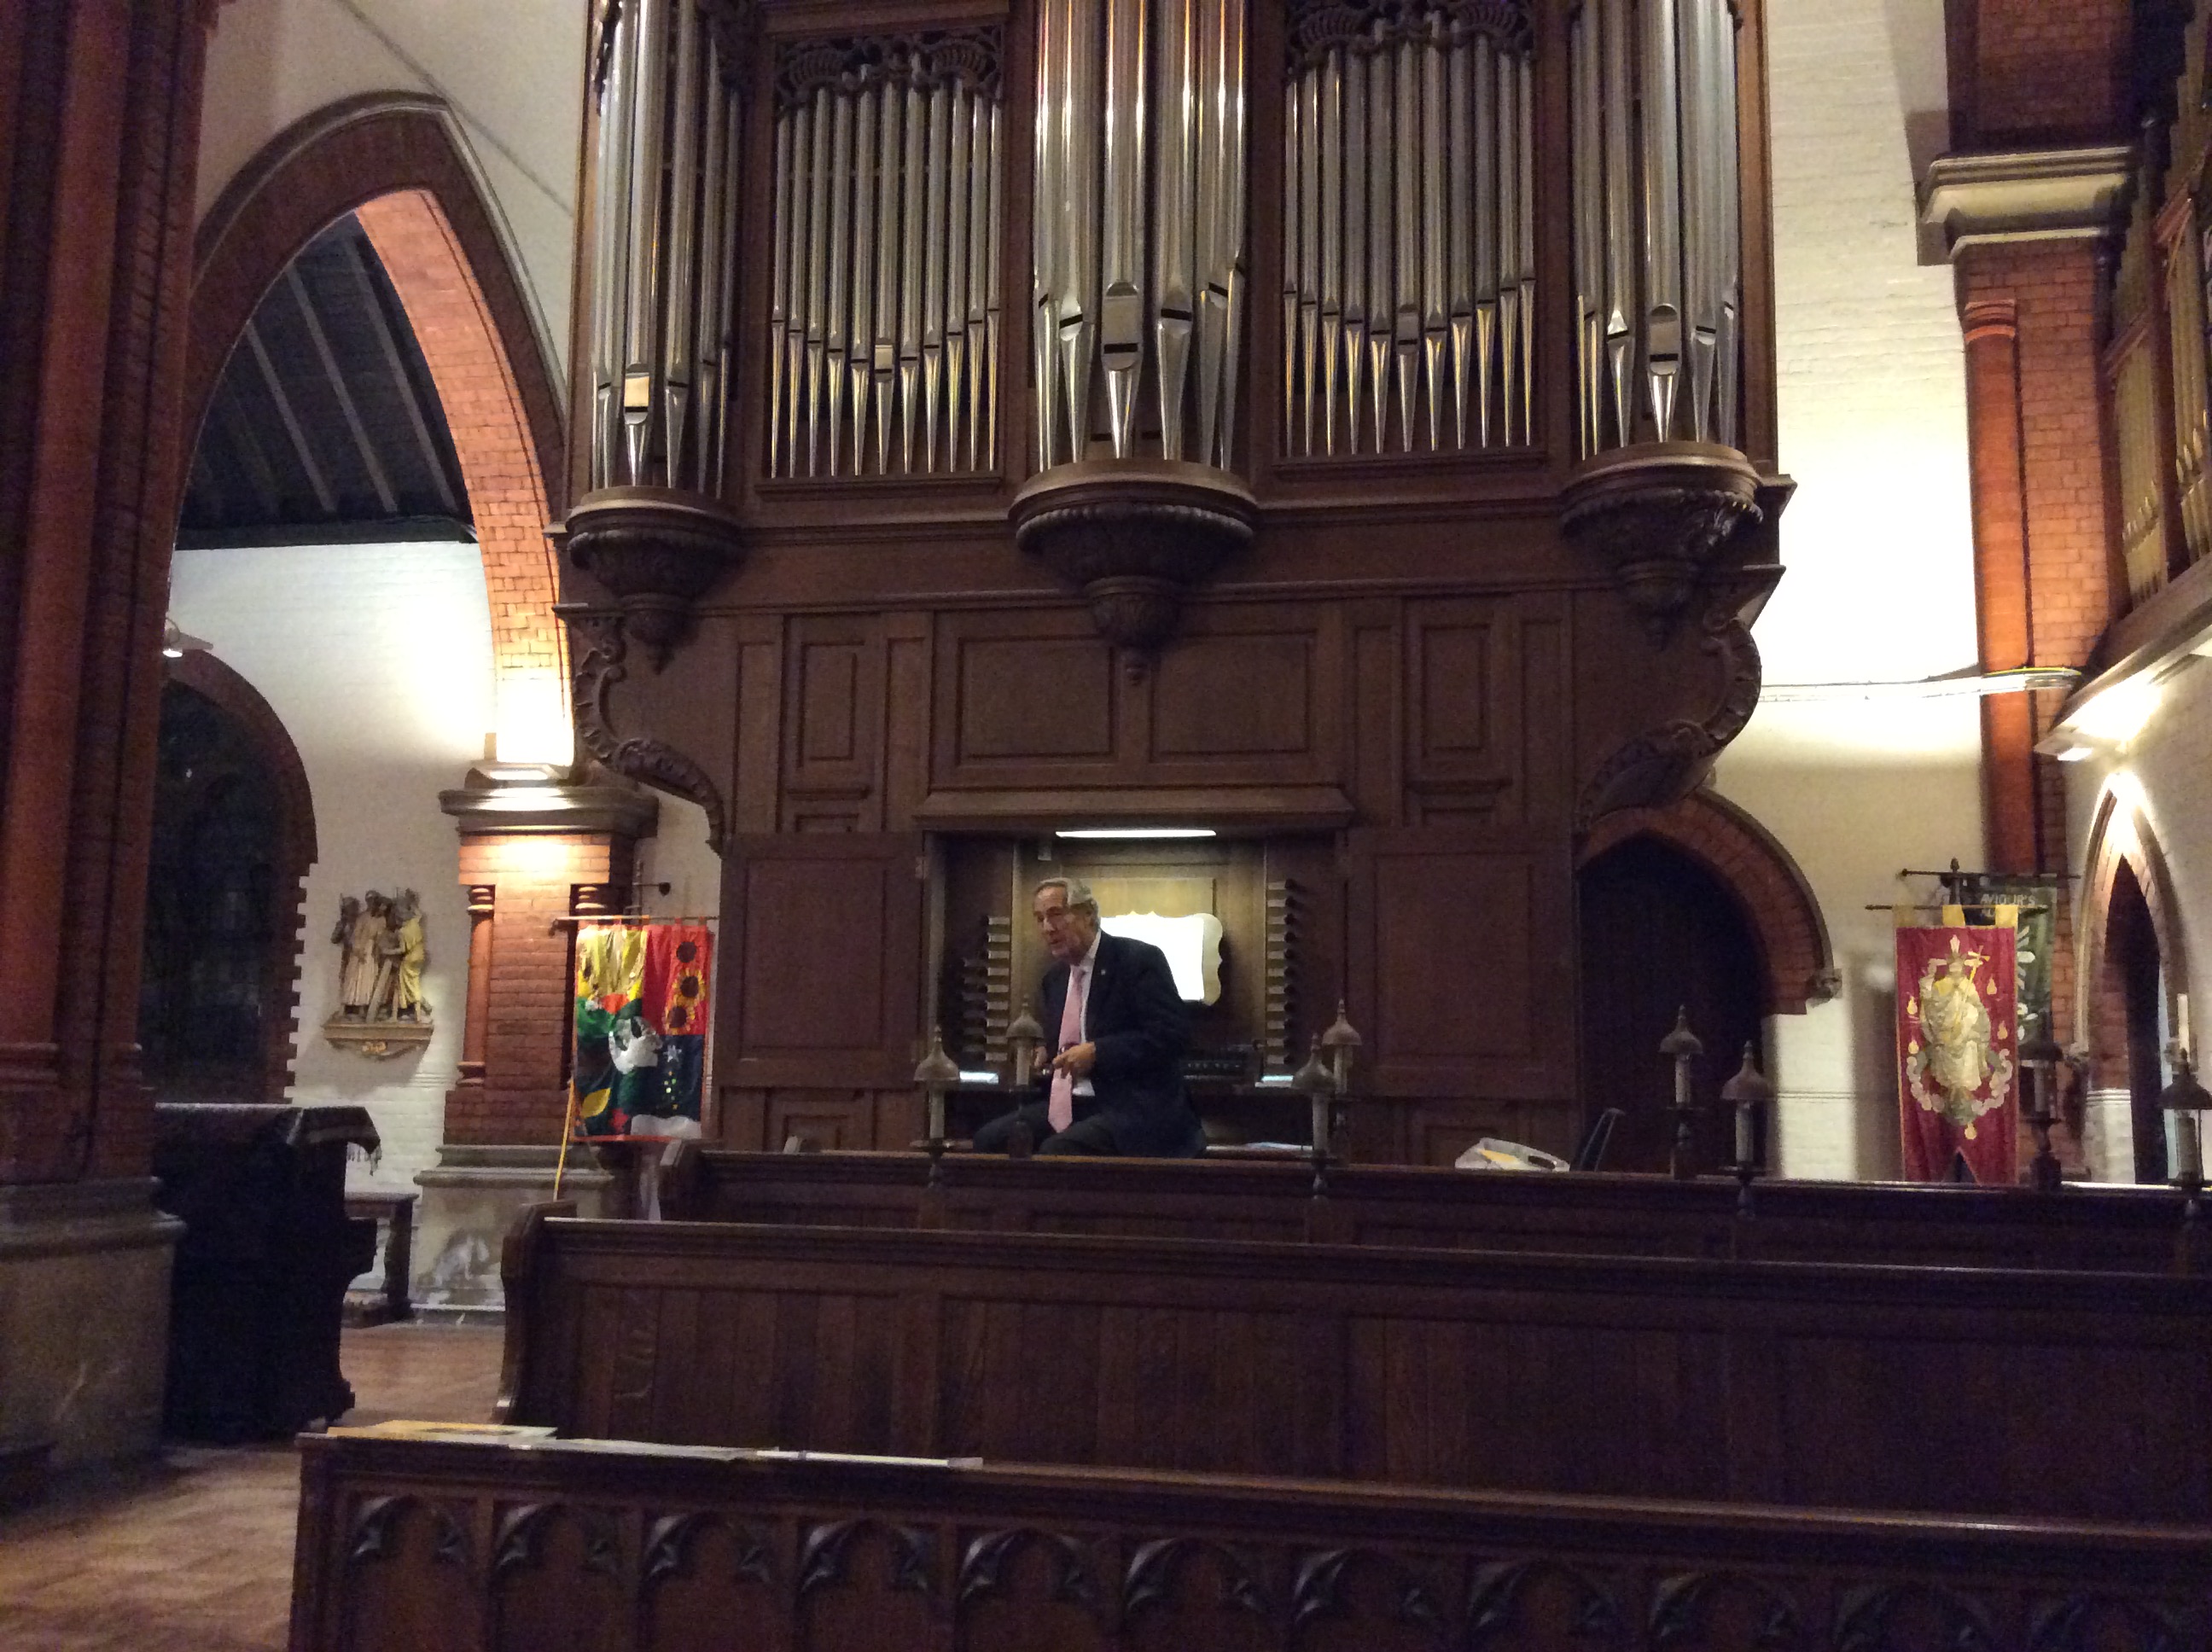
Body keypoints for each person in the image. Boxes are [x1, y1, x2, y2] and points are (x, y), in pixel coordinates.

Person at [972, 876, 1206, 1157]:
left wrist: (1098, 1052)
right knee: (989, 1141)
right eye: (1040, 919)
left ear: (1089, 914)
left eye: (1056, 914)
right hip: (1071, 1102)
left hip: (1134, 1106)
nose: (1047, 928)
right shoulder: (1055, 980)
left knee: (1058, 1151)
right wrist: (1044, 1052)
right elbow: (1064, 1040)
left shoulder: (1138, 960)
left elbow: (1172, 1036)